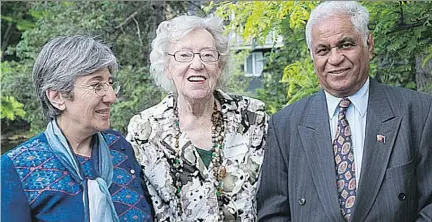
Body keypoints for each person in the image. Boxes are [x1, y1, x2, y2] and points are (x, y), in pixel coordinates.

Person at [257, 1, 432, 221]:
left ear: (369, 44)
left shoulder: (418, 112)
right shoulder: (284, 126)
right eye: (323, 50)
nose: (335, 59)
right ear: (312, 56)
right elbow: (272, 214)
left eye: (346, 44)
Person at [126, 15, 268, 221]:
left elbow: (274, 197)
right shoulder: (145, 131)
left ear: (219, 66)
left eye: (208, 55)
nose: (197, 64)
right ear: (167, 67)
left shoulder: (253, 117)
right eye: (184, 55)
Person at [1, 35, 154, 222]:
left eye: (110, 83)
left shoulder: (119, 147)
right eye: (97, 85)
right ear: (57, 96)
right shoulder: (17, 167)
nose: (111, 97)